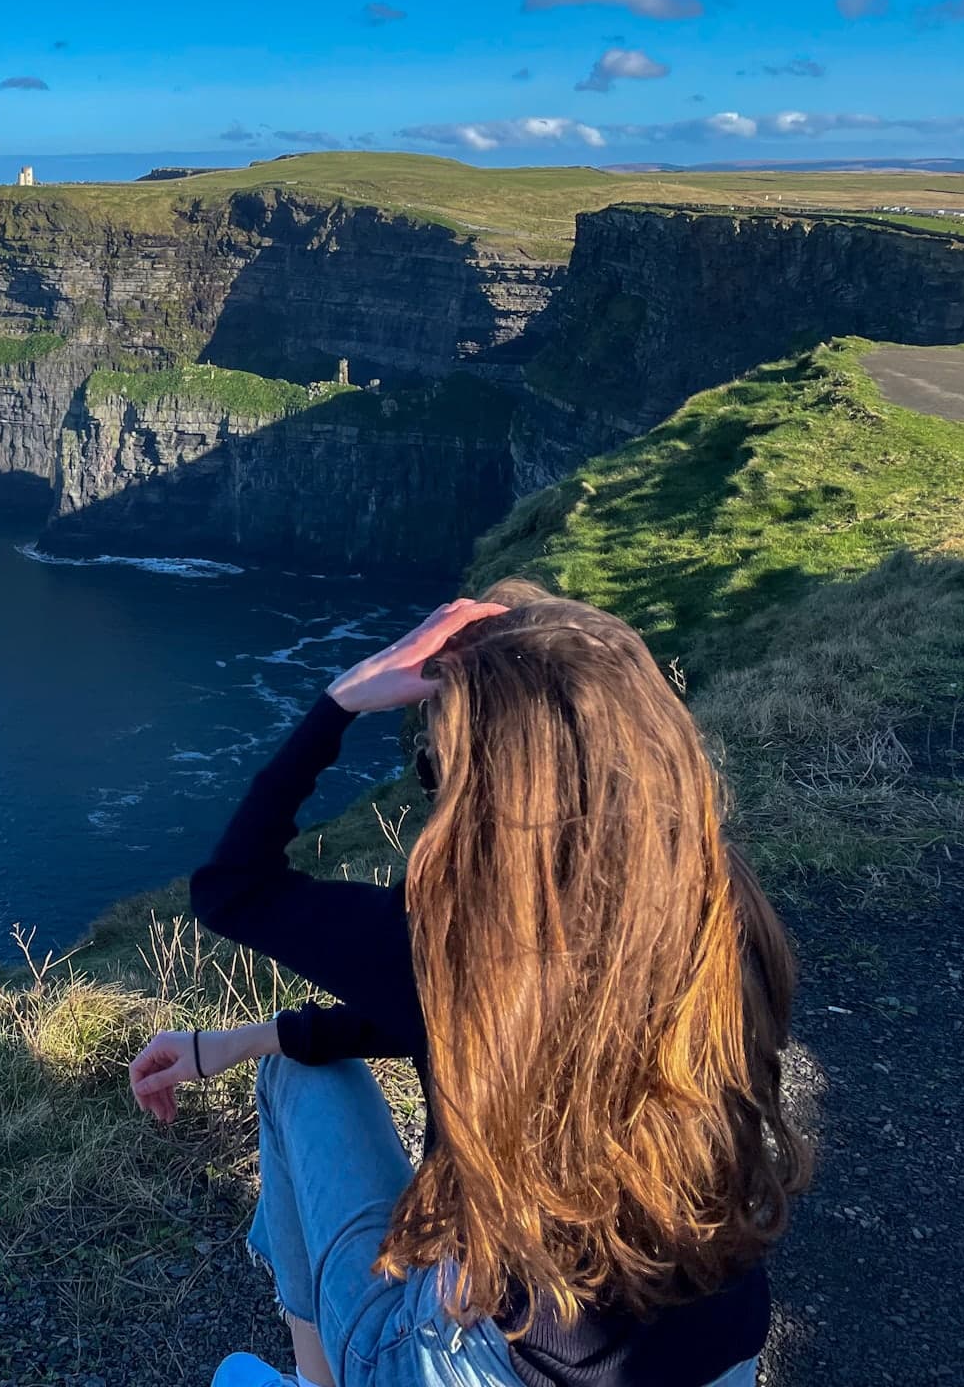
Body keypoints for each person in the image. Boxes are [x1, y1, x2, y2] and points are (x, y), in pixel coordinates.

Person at [127, 581, 810, 1387]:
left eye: (435, 767)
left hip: (492, 1368)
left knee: (291, 1087)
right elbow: (453, 1019)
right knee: (283, 1053)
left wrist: (342, 700)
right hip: (716, 1349)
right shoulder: (715, 911)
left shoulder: (447, 948)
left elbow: (232, 887)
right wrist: (236, 1040)